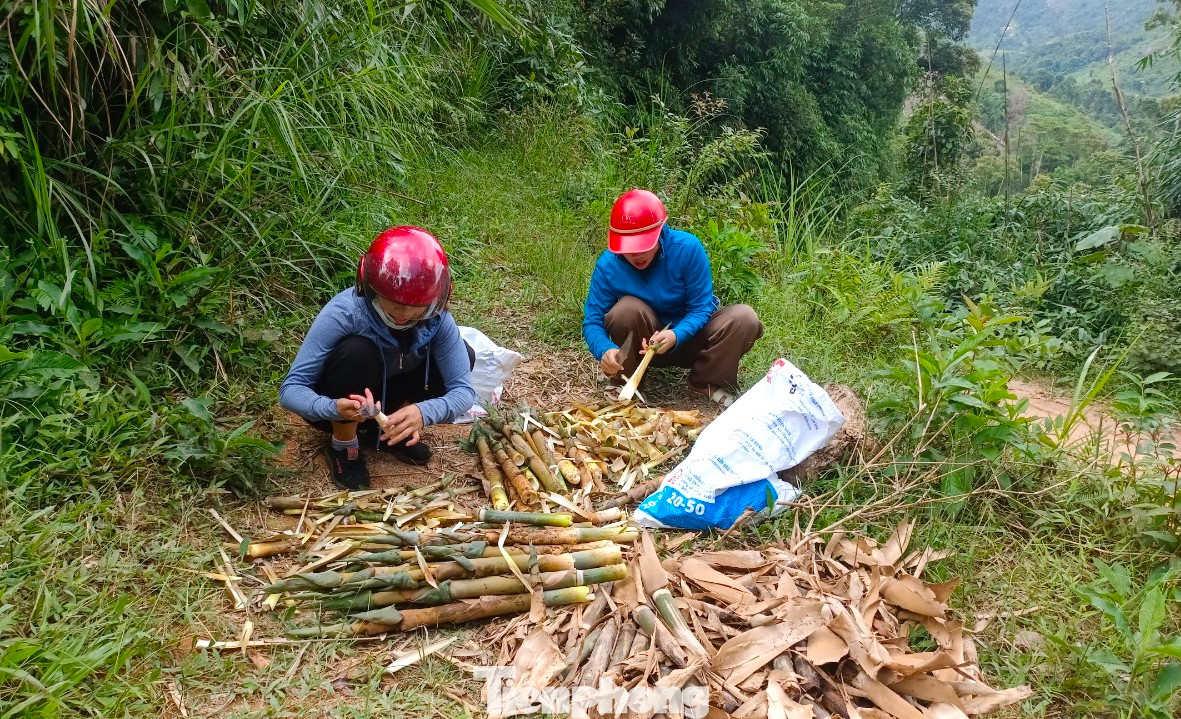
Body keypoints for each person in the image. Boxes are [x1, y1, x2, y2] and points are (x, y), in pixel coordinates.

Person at [280, 226, 477, 490]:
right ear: (369, 287)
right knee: (357, 352)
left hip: (388, 397)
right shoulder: (345, 313)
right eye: (393, 303)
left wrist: (423, 412)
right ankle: (344, 445)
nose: (403, 315)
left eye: (415, 306)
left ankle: (390, 429)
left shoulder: (438, 320)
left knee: (465, 352)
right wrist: (333, 408)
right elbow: (291, 390)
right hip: (342, 403)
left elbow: (463, 391)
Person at [582, 189, 763, 405]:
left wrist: (677, 335)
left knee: (744, 318)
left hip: (691, 338)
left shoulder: (687, 249)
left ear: (660, 233)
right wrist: (605, 350)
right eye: (630, 248)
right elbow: (592, 322)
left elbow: (701, 307)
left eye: (644, 245)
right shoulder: (608, 265)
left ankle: (706, 381)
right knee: (626, 309)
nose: (637, 255)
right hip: (641, 343)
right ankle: (626, 380)